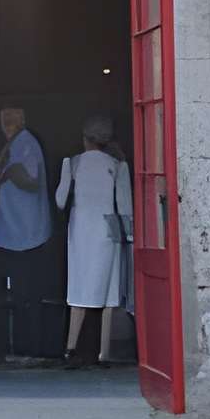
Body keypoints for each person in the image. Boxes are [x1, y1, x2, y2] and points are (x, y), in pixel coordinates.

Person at [56, 111, 133, 370]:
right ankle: (104, 353)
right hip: (107, 229)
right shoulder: (117, 165)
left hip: (80, 230)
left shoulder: (73, 163)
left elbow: (59, 200)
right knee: (108, 294)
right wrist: (129, 235)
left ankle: (70, 348)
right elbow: (124, 206)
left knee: (78, 289)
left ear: (84, 137)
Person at [0, 102, 51, 364]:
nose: (5, 127)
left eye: (8, 121)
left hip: (27, 235)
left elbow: (31, 180)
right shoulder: (15, 144)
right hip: (16, 233)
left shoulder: (26, 143)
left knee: (27, 296)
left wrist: (10, 171)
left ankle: (30, 348)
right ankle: (22, 346)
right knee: (18, 295)